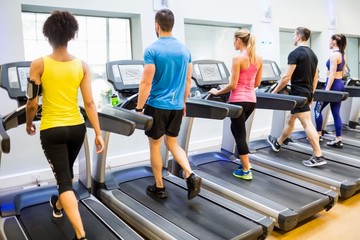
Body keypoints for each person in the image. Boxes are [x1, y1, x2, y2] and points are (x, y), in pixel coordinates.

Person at [25, 11, 105, 240]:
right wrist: (98, 133)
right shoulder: (82, 65)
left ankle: (81, 235)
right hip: (77, 130)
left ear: (48, 36)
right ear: (71, 35)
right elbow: (89, 102)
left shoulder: (38, 64)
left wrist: (29, 124)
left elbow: (32, 103)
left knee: (63, 181)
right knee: (66, 176)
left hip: (52, 130)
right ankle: (58, 205)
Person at [136, 9, 201, 200]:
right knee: (172, 142)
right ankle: (190, 175)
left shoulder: (152, 49)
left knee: (155, 146)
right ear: (171, 25)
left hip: (157, 105)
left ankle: (159, 187)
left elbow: (146, 83)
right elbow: (188, 81)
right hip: (177, 106)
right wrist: (184, 102)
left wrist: (139, 109)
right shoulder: (185, 50)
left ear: (157, 26)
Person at [267, 27, 327, 167]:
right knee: (290, 118)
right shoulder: (313, 54)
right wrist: (311, 93)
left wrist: (274, 92)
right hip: (306, 92)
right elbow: (315, 76)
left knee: (307, 123)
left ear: (299, 36)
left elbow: (286, 77)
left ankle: (318, 155)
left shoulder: (295, 53)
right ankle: (279, 143)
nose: (293, 38)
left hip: (298, 93)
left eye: (294, 35)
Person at [209, 29, 263, 180]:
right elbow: (257, 83)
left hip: (237, 101)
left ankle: (246, 169)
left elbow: (232, 85)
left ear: (239, 40)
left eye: (234, 40)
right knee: (236, 129)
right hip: (251, 101)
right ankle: (245, 162)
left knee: (240, 134)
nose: (233, 43)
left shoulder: (237, 58)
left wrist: (217, 92)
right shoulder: (258, 59)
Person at [314, 34, 347, 148]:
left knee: (317, 109)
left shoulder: (334, 56)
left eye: (329, 40)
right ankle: (338, 139)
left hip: (332, 85)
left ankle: (318, 135)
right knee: (336, 113)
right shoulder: (343, 54)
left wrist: (326, 91)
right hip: (340, 84)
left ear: (333, 42)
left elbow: (332, 74)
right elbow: (342, 73)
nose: (328, 42)